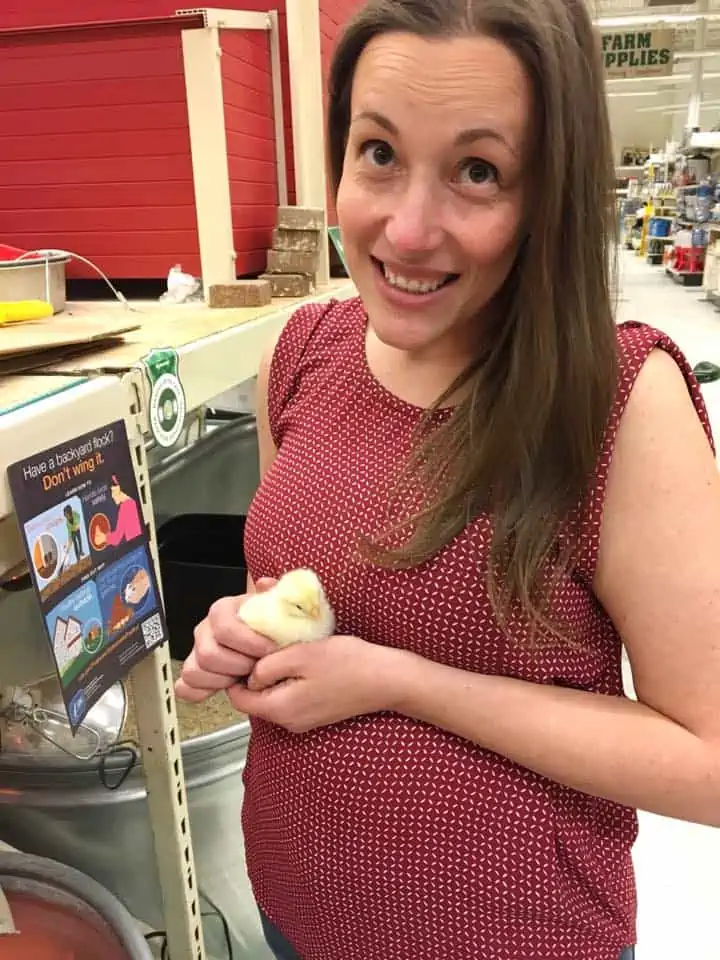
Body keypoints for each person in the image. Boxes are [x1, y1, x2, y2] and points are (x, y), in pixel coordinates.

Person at [176, 1, 720, 958]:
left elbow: (711, 764)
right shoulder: (303, 354)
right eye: (379, 153)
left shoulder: (620, 402)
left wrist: (403, 683)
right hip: (298, 914)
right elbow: (309, 593)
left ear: (548, 191)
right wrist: (244, 630)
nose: (408, 228)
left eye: (478, 171)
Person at [94, 475, 142, 549]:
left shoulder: (126, 507)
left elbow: (117, 538)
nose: (112, 496)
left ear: (121, 487)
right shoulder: (130, 503)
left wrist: (103, 538)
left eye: (113, 491)